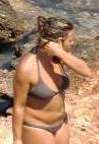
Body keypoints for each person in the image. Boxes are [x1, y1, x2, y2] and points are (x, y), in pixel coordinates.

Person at [13, 16, 95, 144]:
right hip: (37, 128)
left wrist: (60, 53)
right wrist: (17, 140)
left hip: (61, 123)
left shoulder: (59, 56)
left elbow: (87, 72)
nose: (73, 44)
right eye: (71, 40)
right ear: (59, 41)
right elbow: (18, 106)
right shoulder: (27, 68)